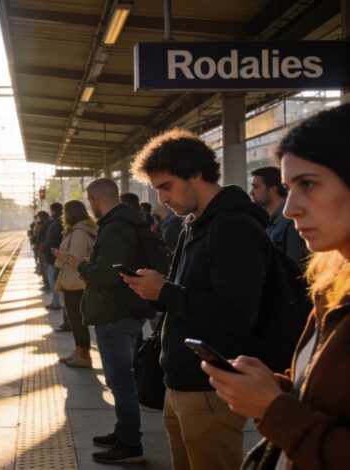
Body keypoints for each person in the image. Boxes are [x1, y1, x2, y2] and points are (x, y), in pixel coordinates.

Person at [202, 103, 350, 470]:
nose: (290, 209)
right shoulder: (333, 283)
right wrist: (274, 387)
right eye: (288, 188)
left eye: (309, 184)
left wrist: (274, 409)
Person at [124, 128, 270, 470]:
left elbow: (235, 312)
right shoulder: (195, 223)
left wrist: (165, 291)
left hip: (209, 388)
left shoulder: (234, 226)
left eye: (166, 187)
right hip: (181, 383)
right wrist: (155, 292)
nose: (161, 199)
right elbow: (189, 296)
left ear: (197, 174)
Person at [66, 178, 154, 464]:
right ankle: (123, 431)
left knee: (121, 381)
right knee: (121, 380)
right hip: (126, 309)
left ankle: (130, 444)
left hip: (116, 313)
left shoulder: (116, 228)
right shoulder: (127, 222)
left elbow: (106, 275)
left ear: (93, 200)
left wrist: (80, 264)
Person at [51, 200, 97, 368]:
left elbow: (76, 258)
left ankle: (83, 354)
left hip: (76, 281)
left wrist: (61, 256)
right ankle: (79, 349)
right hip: (77, 280)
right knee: (76, 318)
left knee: (76, 319)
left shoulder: (78, 232)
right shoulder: (82, 229)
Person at [250, 166, 309, 268]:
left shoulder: (292, 222)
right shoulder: (271, 222)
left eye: (256, 187)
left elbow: (295, 267)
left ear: (273, 189)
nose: (251, 192)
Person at [43, 202, 64, 310]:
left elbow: (53, 241)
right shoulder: (58, 222)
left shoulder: (56, 223)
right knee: (55, 280)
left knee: (54, 280)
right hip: (55, 256)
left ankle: (56, 303)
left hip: (54, 257)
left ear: (53, 210)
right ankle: (56, 302)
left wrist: (47, 251)